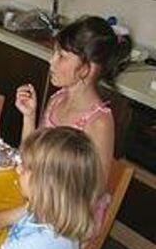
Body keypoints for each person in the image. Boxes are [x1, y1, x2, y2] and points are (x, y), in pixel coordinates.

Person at [15, 15, 131, 235]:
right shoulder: (57, 99)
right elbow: (31, 156)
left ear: (86, 68)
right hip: (42, 197)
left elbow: (94, 190)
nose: (52, 61)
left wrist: (44, 201)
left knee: (10, 229)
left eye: (62, 56)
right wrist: (28, 117)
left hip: (73, 216)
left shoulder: (98, 122)